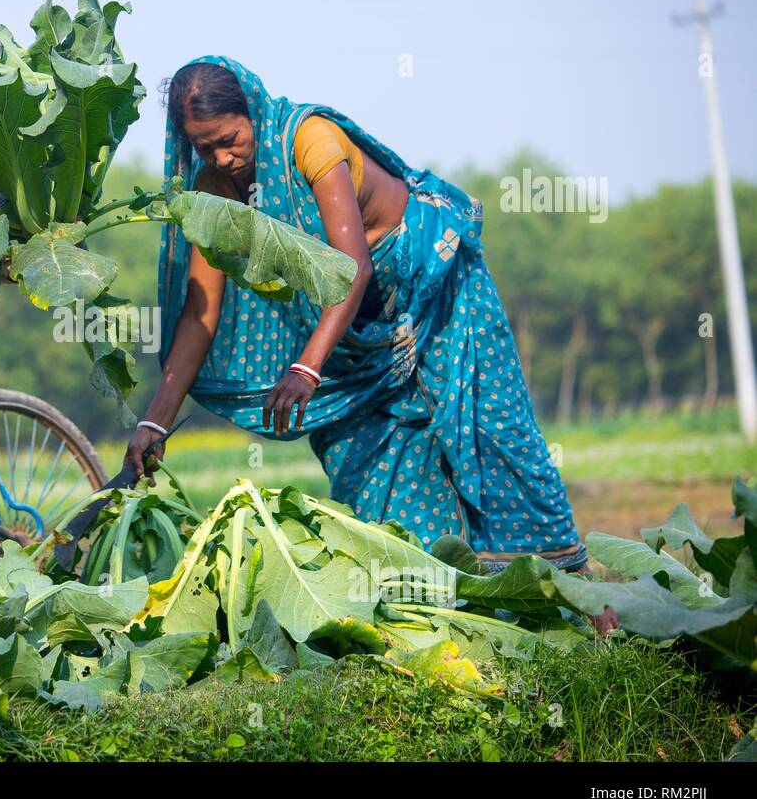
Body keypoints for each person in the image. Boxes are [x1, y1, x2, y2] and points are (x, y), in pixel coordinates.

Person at [125, 56, 588, 572]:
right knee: (367, 463)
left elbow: (351, 267)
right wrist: (154, 423)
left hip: (429, 288)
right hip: (351, 332)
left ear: (253, 113)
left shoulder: (310, 141)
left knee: (489, 432)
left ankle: (564, 588)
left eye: (230, 139)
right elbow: (199, 315)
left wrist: (305, 368)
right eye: (204, 148)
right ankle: (443, 599)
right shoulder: (213, 188)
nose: (223, 158)